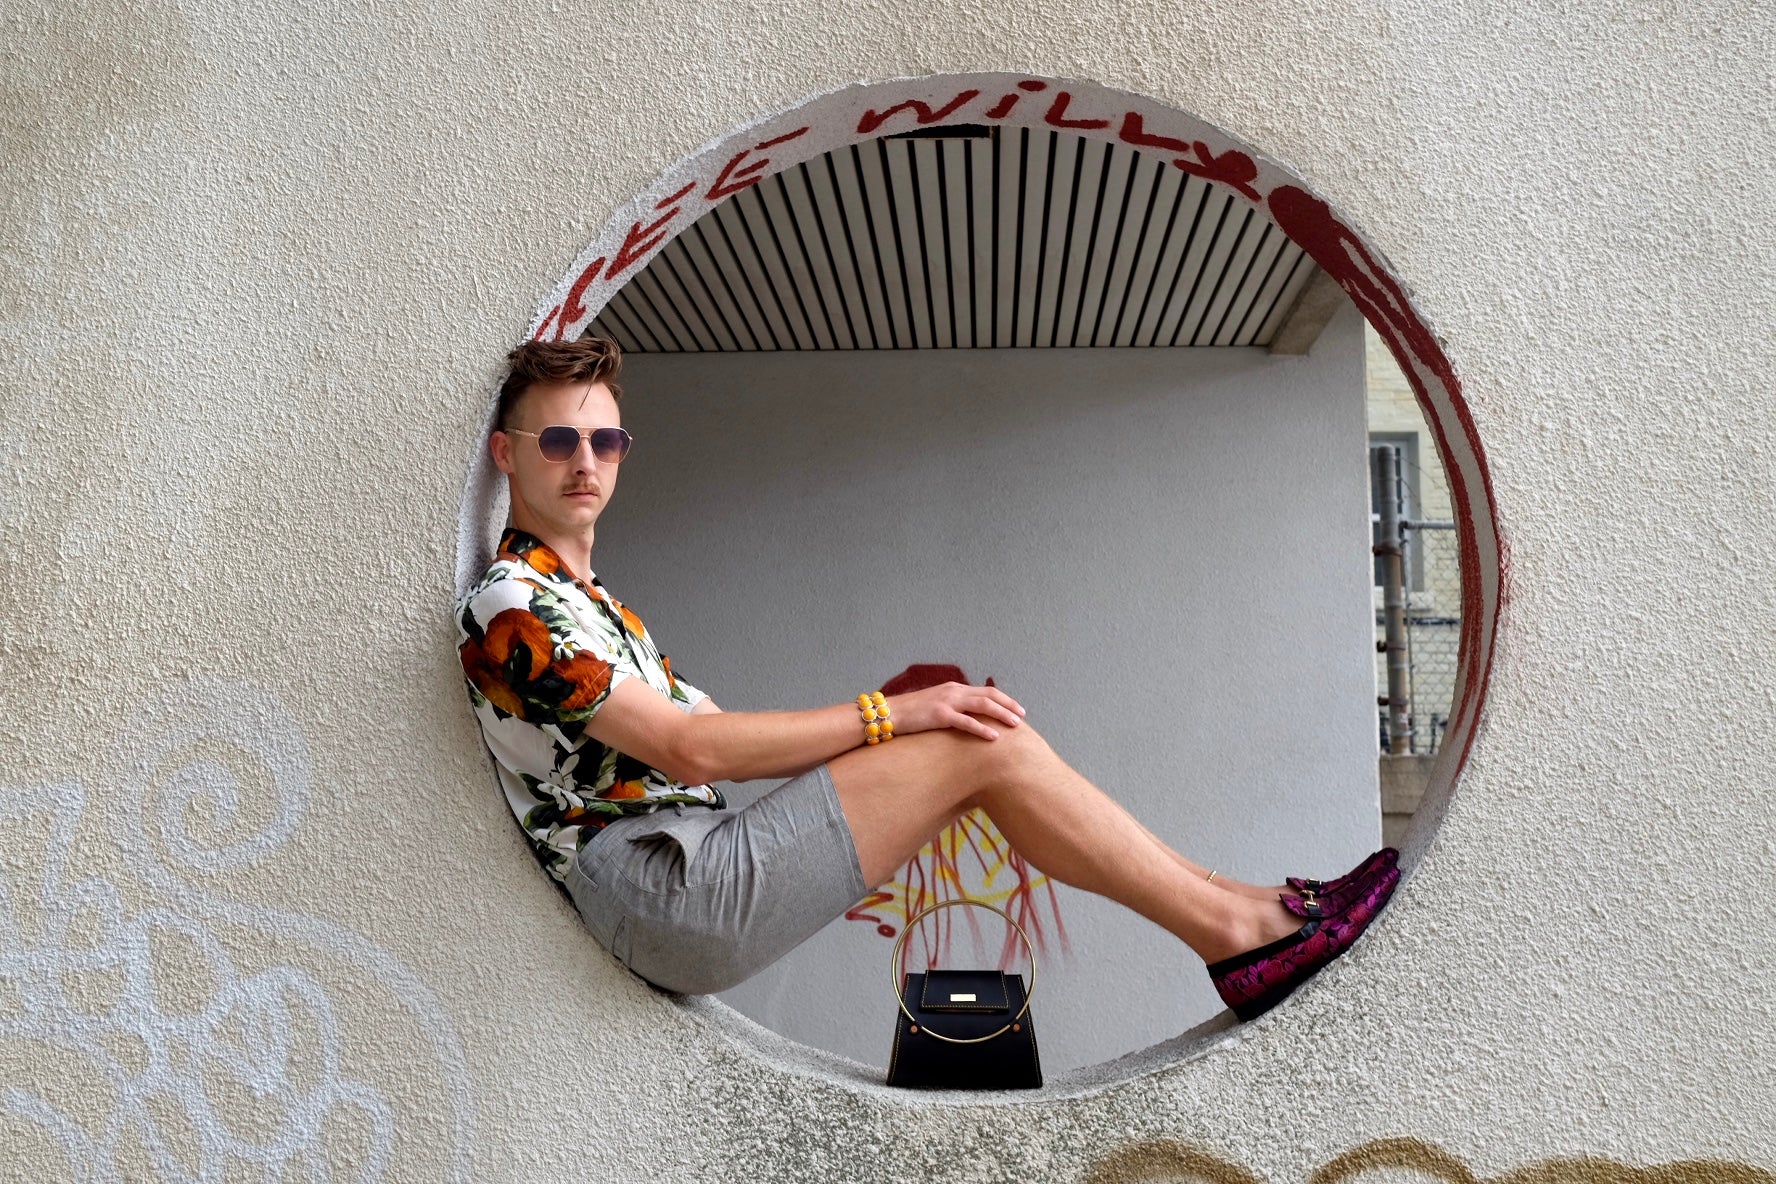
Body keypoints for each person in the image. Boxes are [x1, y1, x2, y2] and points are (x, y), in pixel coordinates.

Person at [455, 335, 1399, 1023]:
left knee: (983, 749)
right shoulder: (511, 604)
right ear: (508, 454)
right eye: (557, 442)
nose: (586, 463)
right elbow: (691, 746)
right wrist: (891, 713)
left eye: (605, 442)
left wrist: (895, 728)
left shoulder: (600, 607)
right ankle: (1241, 930)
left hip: (696, 856)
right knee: (957, 738)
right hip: (659, 889)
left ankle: (1244, 913)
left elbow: (725, 741)